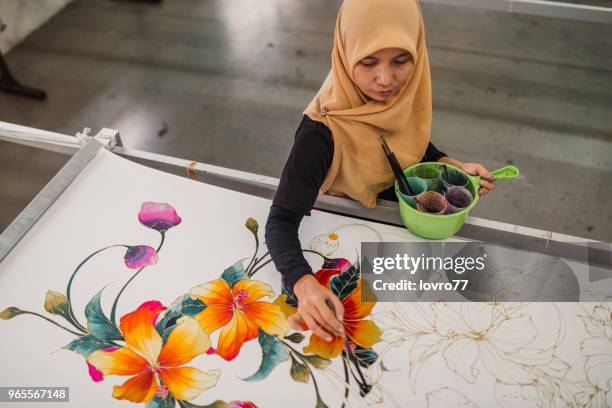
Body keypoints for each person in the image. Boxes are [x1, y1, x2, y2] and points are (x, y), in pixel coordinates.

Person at [265, 0, 496, 342]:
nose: (385, 79)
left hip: (394, 236)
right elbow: (280, 220)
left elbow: (406, 144)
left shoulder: (402, 97)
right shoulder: (320, 133)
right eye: (368, 62)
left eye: (401, 61)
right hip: (344, 234)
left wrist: (449, 165)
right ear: (345, 53)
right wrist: (304, 282)